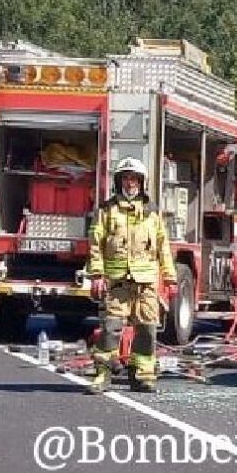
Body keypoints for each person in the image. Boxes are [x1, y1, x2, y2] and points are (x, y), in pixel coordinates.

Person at [85, 157, 177, 394]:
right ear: (119, 181)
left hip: (146, 284)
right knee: (110, 329)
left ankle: (141, 376)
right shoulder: (106, 211)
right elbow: (95, 245)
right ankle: (102, 375)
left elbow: (163, 246)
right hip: (116, 284)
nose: (130, 183)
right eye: (125, 178)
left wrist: (170, 277)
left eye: (134, 178)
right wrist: (96, 275)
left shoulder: (151, 213)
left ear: (141, 182)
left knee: (147, 330)